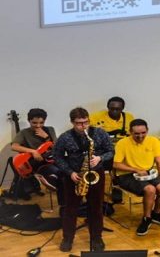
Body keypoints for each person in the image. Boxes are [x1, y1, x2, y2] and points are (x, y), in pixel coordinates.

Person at [53, 107, 113, 252]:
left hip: (95, 175)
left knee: (96, 208)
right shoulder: (65, 137)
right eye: (79, 123)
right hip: (74, 176)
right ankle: (67, 238)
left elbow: (111, 151)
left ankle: (96, 238)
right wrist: (69, 172)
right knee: (70, 209)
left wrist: (99, 158)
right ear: (72, 123)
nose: (83, 126)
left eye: (85, 122)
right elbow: (57, 156)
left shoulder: (99, 133)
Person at [113, 119, 160, 236]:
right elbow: (116, 164)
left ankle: (156, 214)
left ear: (147, 131)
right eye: (136, 133)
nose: (140, 136)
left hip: (148, 172)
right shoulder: (122, 143)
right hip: (127, 175)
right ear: (130, 132)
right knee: (150, 189)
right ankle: (146, 218)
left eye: (143, 133)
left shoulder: (153, 141)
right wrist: (136, 170)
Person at [10, 108, 63, 205]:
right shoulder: (24, 133)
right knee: (57, 173)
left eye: (41, 123)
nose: (38, 126)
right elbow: (14, 146)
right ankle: (63, 201)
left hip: (51, 159)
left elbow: (57, 148)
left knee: (69, 170)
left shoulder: (50, 130)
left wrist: (46, 137)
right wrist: (33, 151)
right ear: (29, 121)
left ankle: (67, 200)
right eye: (34, 123)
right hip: (36, 164)